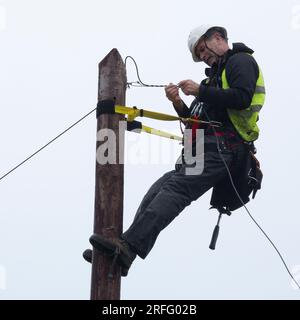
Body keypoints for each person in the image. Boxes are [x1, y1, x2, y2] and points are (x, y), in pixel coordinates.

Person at [85, 24, 265, 276]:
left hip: (224, 149)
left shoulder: (240, 61)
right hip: (205, 149)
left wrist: (200, 90)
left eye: (203, 49)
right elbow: (196, 120)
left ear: (218, 37)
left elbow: (242, 97)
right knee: (159, 189)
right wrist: (179, 102)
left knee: (175, 190)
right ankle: (126, 250)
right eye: (199, 53)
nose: (203, 55)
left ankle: (128, 247)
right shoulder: (213, 79)